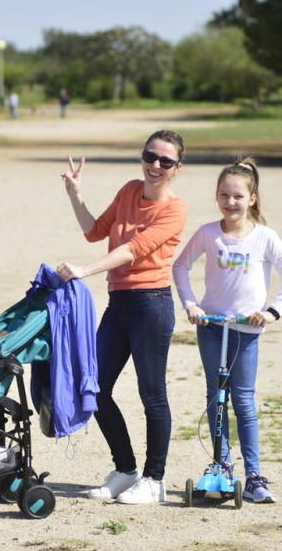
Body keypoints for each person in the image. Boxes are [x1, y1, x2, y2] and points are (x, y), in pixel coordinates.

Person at [56, 130, 187, 505]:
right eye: (151, 156)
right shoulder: (130, 190)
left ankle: (154, 479)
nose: (155, 166)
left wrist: (85, 271)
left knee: (152, 394)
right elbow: (95, 231)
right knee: (94, 388)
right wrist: (75, 194)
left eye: (165, 161)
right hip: (120, 305)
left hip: (151, 306)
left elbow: (134, 250)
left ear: (177, 167)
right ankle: (126, 470)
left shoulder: (175, 210)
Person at [171, 158, 282, 503]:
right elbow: (181, 266)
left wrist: (271, 311)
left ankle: (255, 475)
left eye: (238, 196)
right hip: (212, 326)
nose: (231, 202)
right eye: (224, 195)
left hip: (246, 330)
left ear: (252, 199)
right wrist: (191, 305)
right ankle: (221, 465)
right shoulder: (208, 233)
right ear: (217, 197)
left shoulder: (265, 238)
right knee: (216, 397)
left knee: (242, 400)